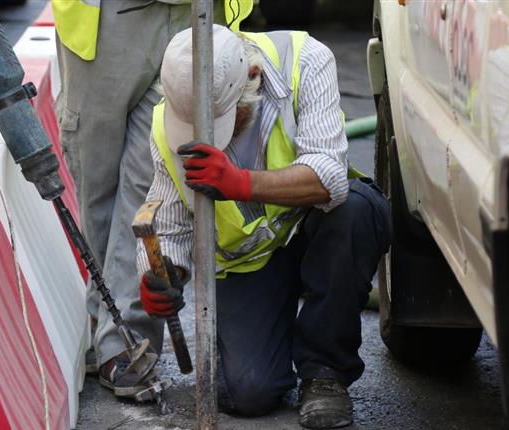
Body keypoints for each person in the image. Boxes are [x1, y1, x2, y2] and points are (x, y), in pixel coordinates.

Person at [136, 25, 392, 428]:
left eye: (224, 120)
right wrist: (163, 274)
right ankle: (275, 332)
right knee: (248, 392)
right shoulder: (167, 121)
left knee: (357, 210)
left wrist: (240, 183)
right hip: (251, 262)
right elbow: (170, 221)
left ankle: (324, 372)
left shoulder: (304, 60)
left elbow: (330, 177)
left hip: (316, 228)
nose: (213, 138)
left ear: (252, 79)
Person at [51, 0, 255, 398]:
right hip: (108, 15)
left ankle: (123, 341)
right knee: (98, 180)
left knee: (153, 174)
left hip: (193, 9)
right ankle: (105, 322)